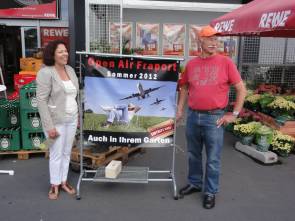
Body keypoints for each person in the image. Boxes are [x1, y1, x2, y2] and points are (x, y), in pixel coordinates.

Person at [176, 26, 247, 209]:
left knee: (213, 158)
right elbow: (184, 87)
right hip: (193, 117)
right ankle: (195, 183)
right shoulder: (191, 64)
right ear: (200, 41)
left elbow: (241, 88)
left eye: (216, 40)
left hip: (214, 117)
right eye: (210, 39)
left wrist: (234, 114)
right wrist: (179, 109)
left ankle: (210, 191)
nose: (214, 43)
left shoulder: (226, 63)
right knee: (193, 154)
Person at [36, 40, 79, 200]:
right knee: (55, 153)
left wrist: (78, 116)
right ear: (52, 54)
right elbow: (41, 100)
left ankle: (63, 181)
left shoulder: (70, 70)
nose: (65, 54)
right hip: (56, 121)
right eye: (60, 51)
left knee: (67, 152)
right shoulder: (46, 72)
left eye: (66, 51)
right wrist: (49, 126)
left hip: (72, 119)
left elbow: (74, 95)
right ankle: (54, 184)